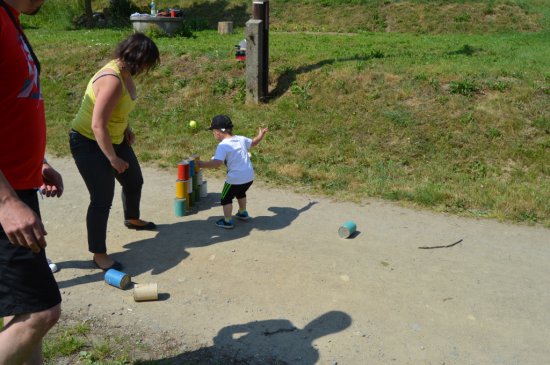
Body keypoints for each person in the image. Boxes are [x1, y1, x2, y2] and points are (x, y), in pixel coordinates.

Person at [0, 0, 64, 363]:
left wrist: (36, 161)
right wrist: (5, 203)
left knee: (25, 308)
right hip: (5, 199)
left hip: (18, 188)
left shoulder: (12, 19)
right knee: (41, 314)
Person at [69, 33, 160, 271]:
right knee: (101, 199)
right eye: (147, 62)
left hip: (113, 137)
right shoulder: (112, 79)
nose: (148, 68)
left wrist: (126, 128)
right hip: (88, 141)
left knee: (134, 180)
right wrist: (113, 159)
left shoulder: (126, 73)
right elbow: (97, 124)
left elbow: (115, 110)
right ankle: (99, 254)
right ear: (137, 58)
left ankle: (132, 218)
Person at [198, 115, 268, 229]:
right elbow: (254, 142)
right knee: (240, 192)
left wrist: (202, 164)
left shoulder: (223, 145)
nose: (213, 134)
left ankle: (227, 221)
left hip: (235, 178)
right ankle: (242, 212)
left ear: (218, 132)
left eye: (213, 131)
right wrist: (261, 135)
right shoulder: (241, 138)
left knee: (226, 198)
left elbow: (217, 163)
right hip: (249, 177)